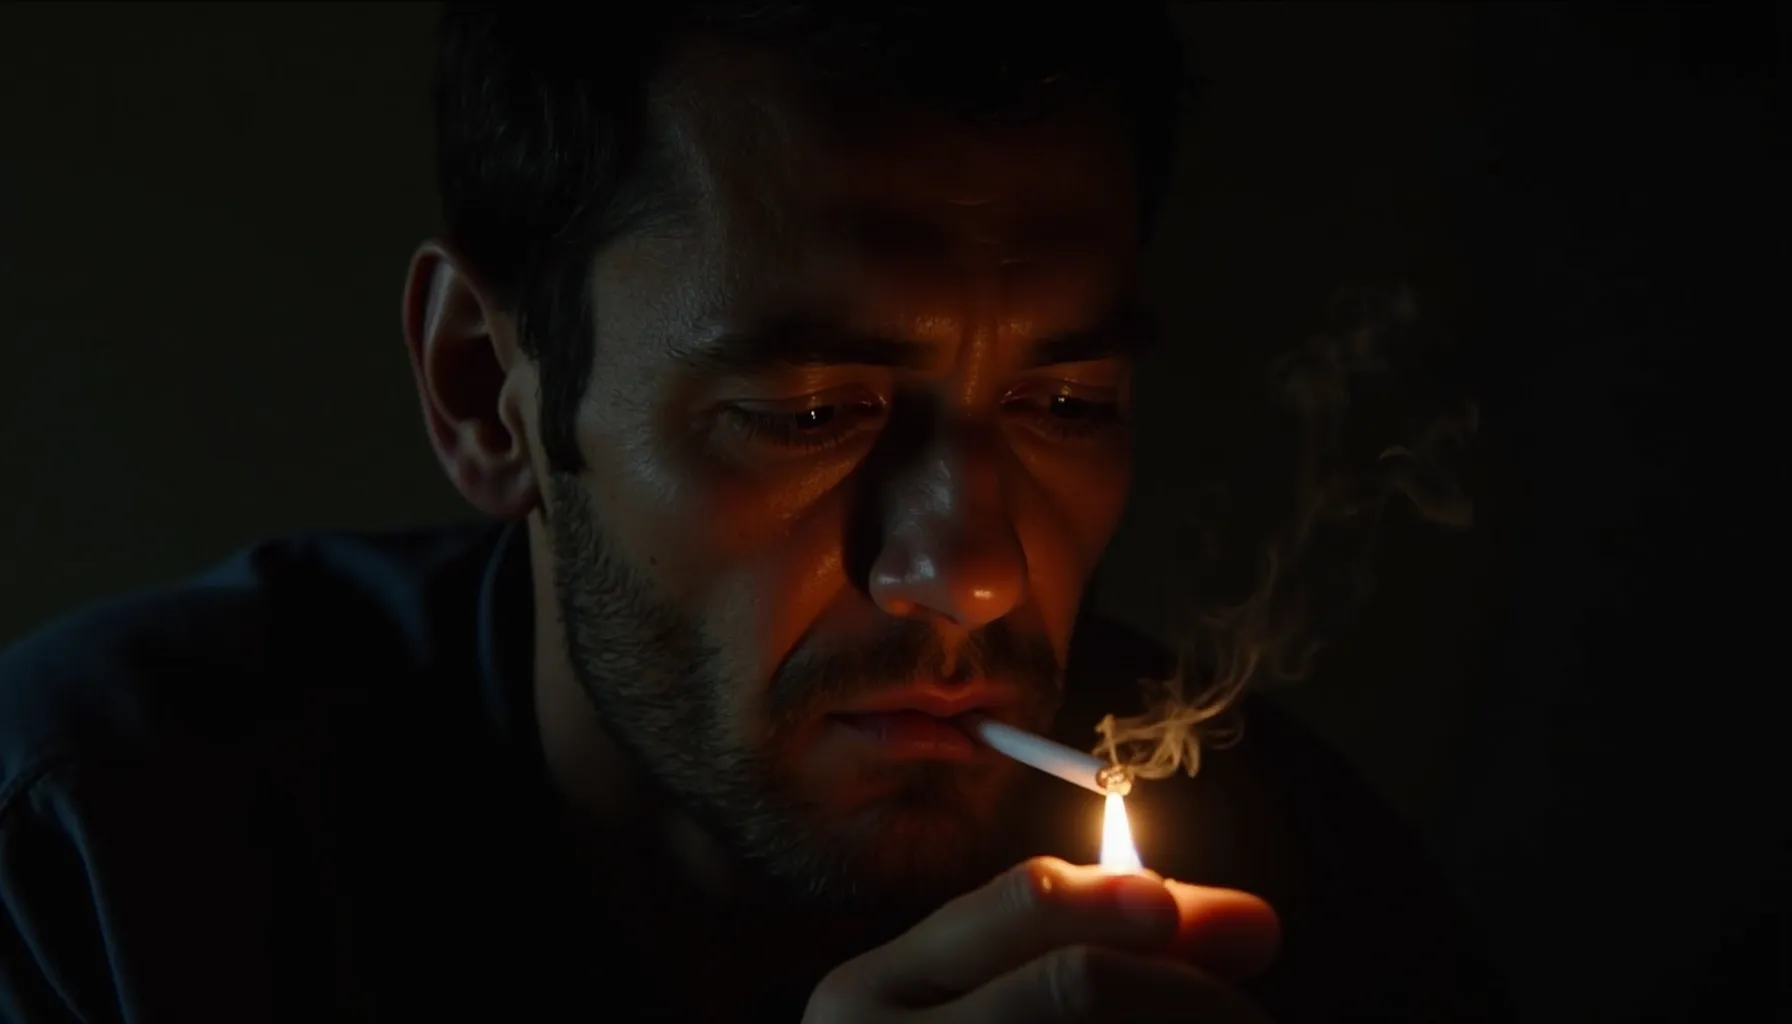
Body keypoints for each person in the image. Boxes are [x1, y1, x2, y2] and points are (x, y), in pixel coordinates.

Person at [0, 5, 1505, 1021]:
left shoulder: (1304, 903)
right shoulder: (107, 871)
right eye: (808, 414)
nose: (969, 573)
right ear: (484, 389)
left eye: (1061, 404)